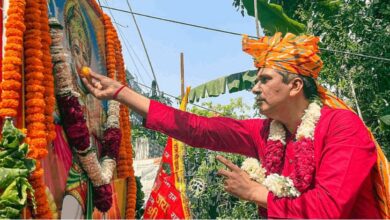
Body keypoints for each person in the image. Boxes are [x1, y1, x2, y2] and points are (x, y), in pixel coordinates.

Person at [80, 32, 387, 218]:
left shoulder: (342, 127)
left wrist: (255, 193)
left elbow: (328, 211)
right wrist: (122, 93)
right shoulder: (267, 133)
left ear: (295, 86)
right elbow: (198, 128)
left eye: (265, 80)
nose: (255, 89)